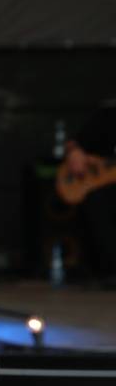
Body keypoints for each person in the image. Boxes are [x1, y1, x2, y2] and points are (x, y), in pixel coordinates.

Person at [63, 103, 116, 285]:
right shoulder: (108, 115)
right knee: (97, 203)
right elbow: (74, 142)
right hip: (101, 187)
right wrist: (74, 152)